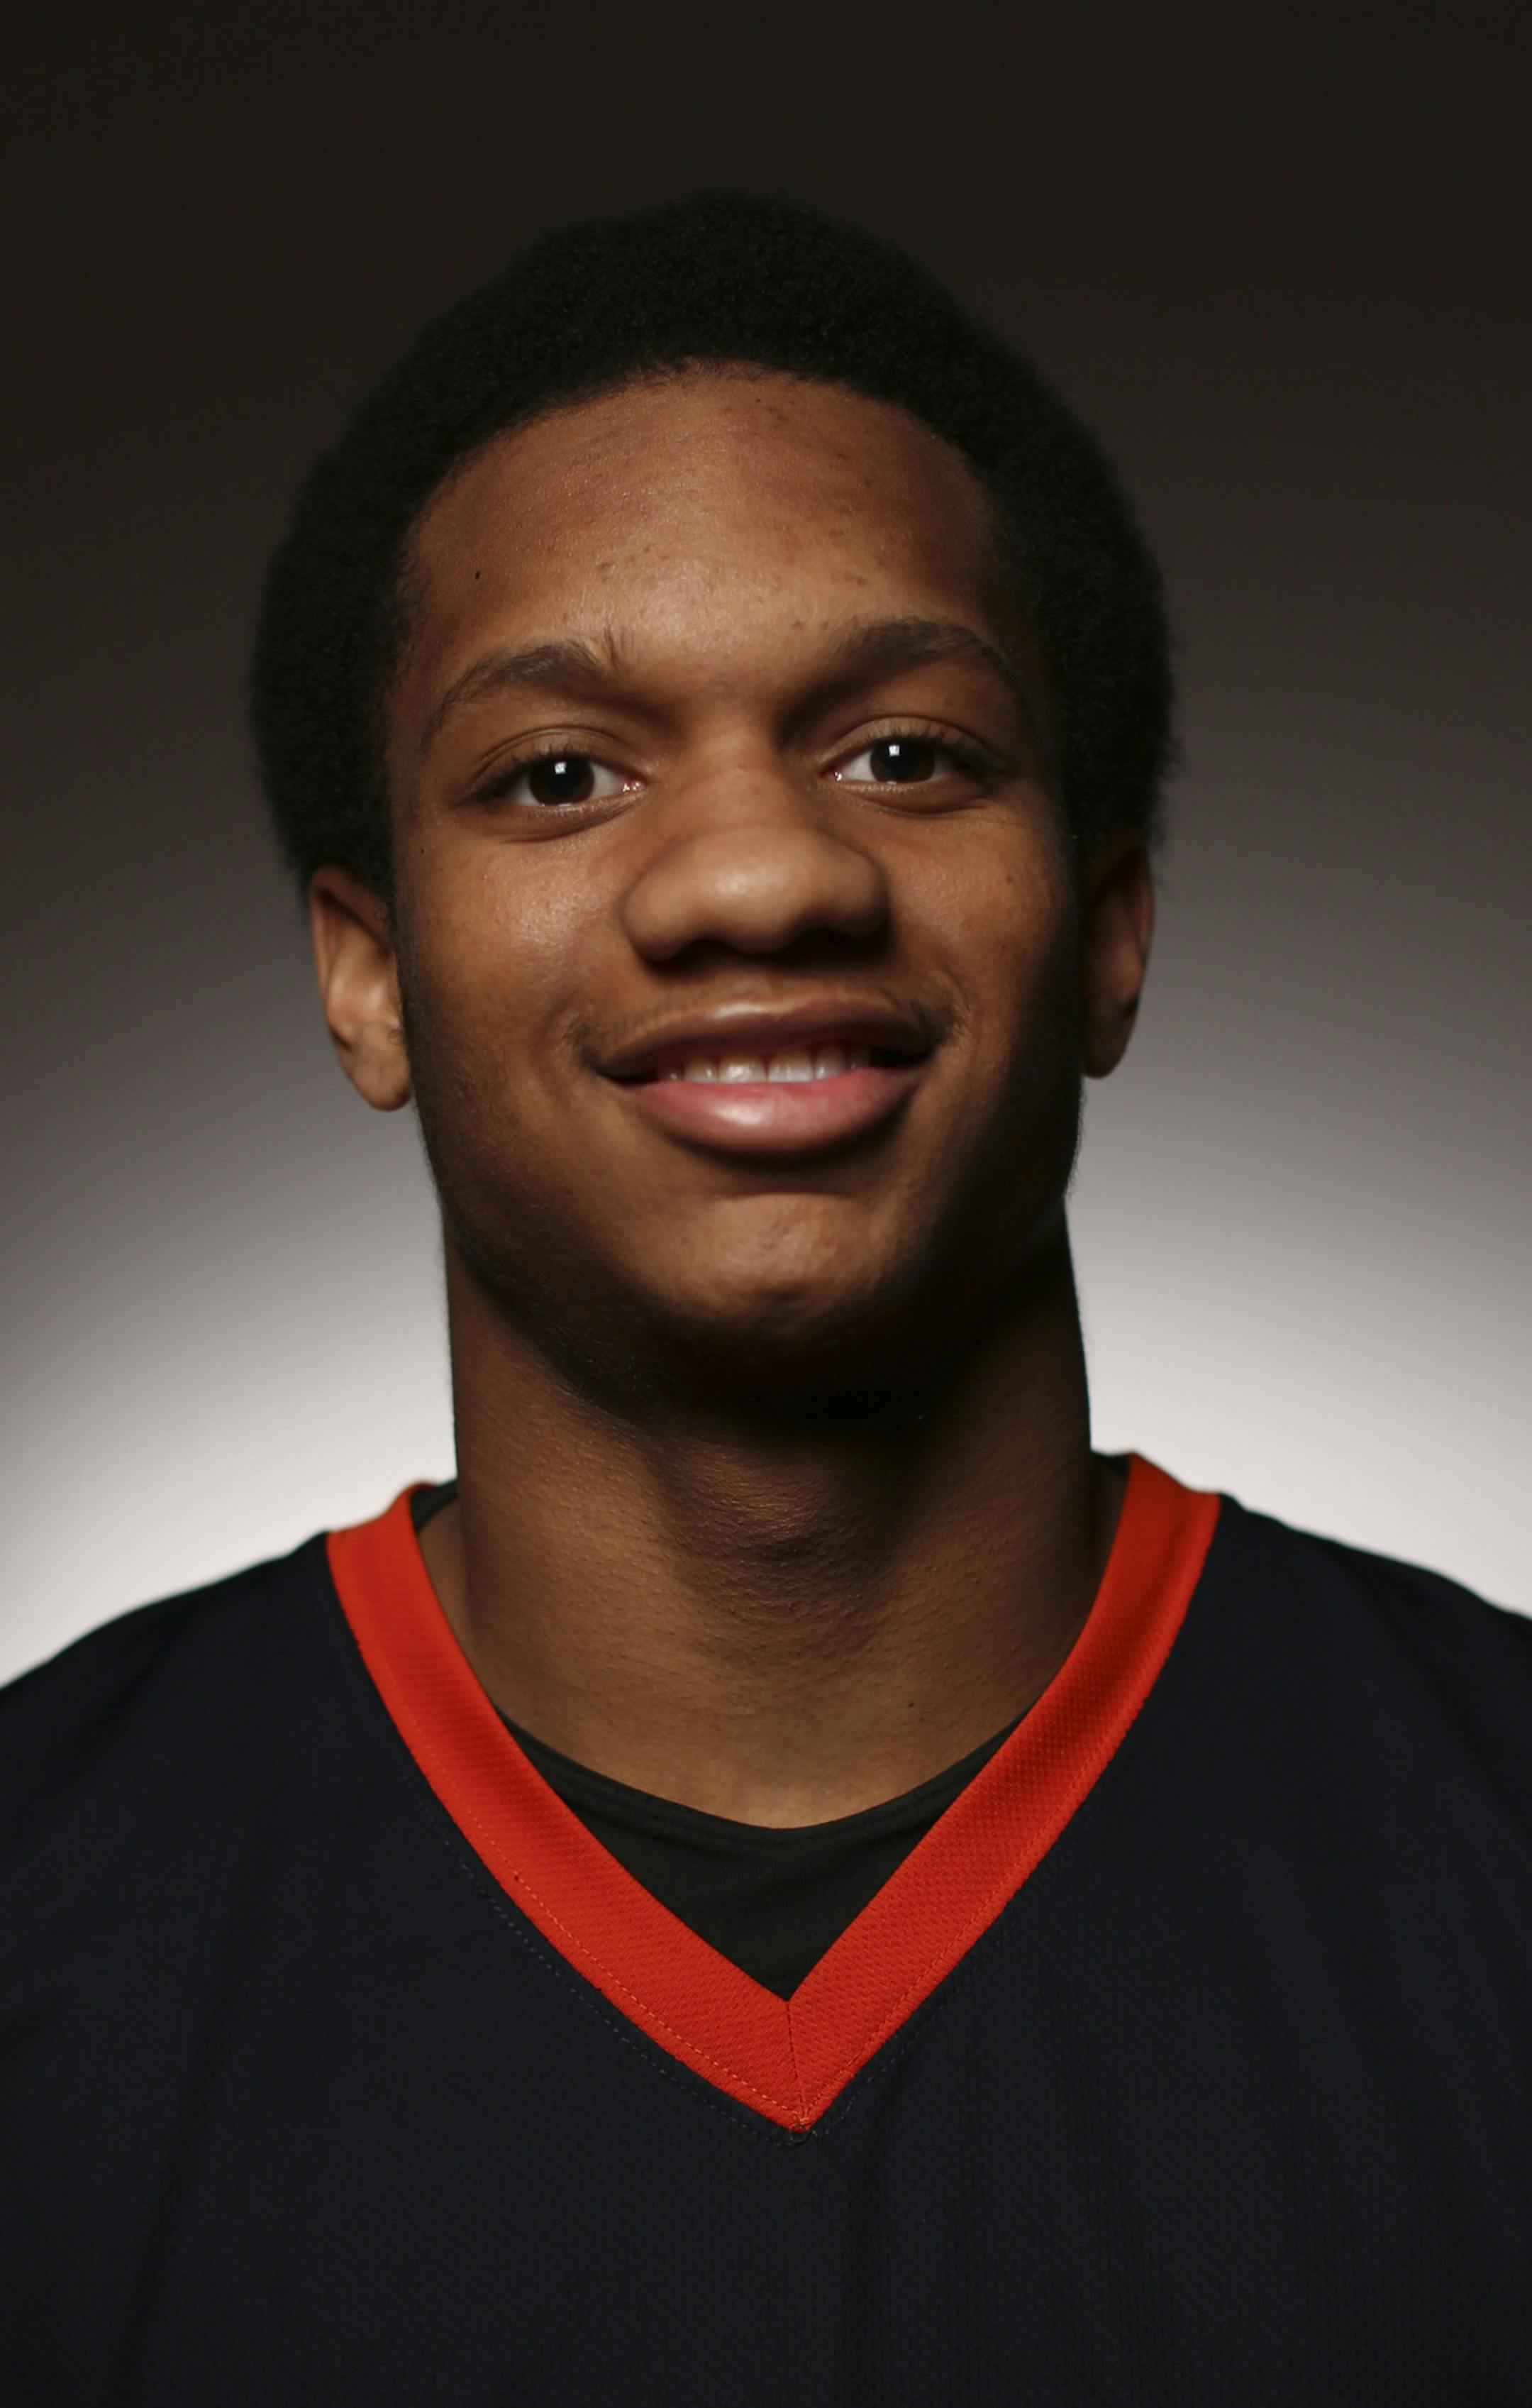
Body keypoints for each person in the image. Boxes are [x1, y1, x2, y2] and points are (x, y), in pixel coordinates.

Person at [3, 190, 1528, 2404]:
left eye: (904, 751)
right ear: (367, 972)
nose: (758, 872)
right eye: (560, 775)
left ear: (1106, 927)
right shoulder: (45, 1933)